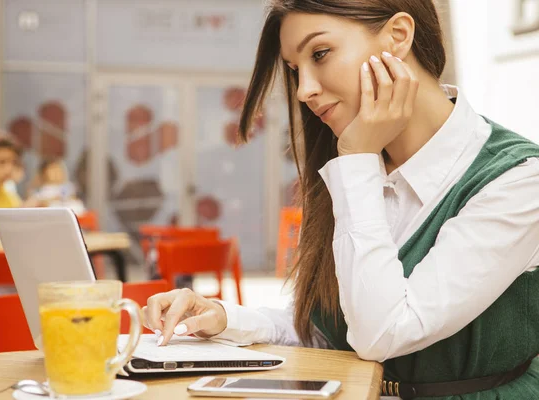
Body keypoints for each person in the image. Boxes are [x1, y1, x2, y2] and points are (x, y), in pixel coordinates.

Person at [143, 1, 539, 399]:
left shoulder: (518, 180)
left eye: (320, 54)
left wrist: (357, 162)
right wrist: (223, 317)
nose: (304, 90)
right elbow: (331, 328)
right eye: (296, 70)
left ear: (398, 36)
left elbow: (381, 333)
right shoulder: (360, 171)